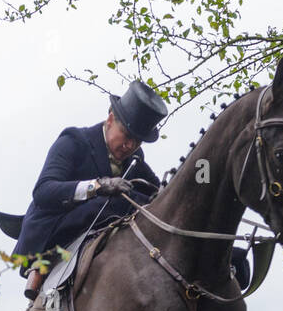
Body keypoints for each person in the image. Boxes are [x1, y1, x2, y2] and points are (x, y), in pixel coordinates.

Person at [9, 79, 169, 299]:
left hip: (99, 224)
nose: (130, 146)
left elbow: (154, 193)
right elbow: (44, 191)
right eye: (127, 136)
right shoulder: (74, 140)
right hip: (53, 231)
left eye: (137, 141)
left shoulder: (134, 157)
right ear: (111, 119)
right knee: (119, 201)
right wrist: (98, 186)